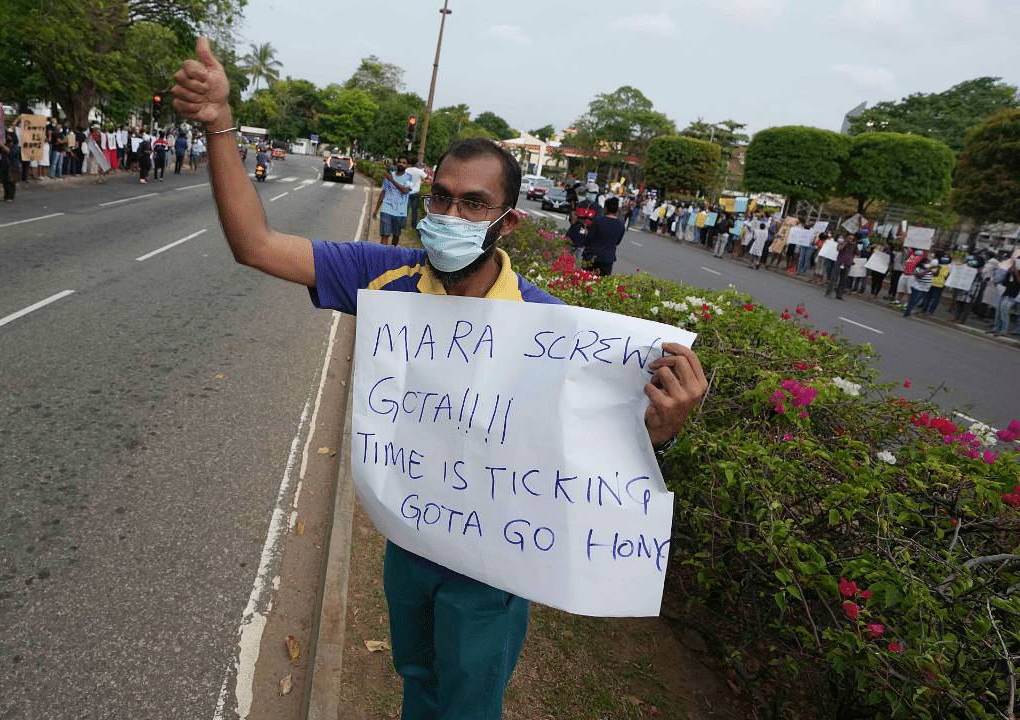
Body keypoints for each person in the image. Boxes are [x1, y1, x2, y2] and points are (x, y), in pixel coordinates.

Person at [170, 38, 708, 720]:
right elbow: (255, 244)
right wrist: (220, 122)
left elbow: (591, 455)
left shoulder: (552, 327)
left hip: (492, 574)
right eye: (442, 198)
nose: (450, 217)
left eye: (474, 205)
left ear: (508, 221)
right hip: (411, 546)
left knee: (467, 706)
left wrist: (659, 432)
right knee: (417, 683)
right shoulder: (385, 278)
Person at [372, 155, 419, 246]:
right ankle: (383, 255)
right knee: (385, 235)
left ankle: (392, 252)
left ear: (407, 165)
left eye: (404, 163)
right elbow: (383, 192)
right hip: (386, 209)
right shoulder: (389, 176)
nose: (401, 164)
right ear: (397, 163)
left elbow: (405, 191)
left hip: (400, 211)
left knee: (396, 235)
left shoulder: (409, 177)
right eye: (400, 162)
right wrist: (376, 209)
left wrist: (392, 181)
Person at [583, 197, 626, 276]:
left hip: (592, 255)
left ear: (606, 208)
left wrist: (587, 231)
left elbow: (589, 238)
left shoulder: (598, 220)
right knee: (602, 282)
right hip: (608, 258)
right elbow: (617, 242)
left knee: (586, 279)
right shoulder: (621, 224)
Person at [985, 264, 1019, 337]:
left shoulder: (1017, 275)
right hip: (1005, 295)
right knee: (998, 313)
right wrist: (990, 279)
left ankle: (1003, 331)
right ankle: (996, 329)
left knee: (1004, 313)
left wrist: (1015, 272)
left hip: (1011, 296)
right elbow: (1001, 280)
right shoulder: (1009, 275)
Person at [827, 234, 856, 300]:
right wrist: (845, 243)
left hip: (847, 264)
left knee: (843, 280)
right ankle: (828, 293)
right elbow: (838, 249)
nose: (851, 240)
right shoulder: (842, 243)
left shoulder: (854, 246)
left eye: (852, 239)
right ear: (846, 238)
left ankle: (839, 295)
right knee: (833, 278)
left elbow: (857, 253)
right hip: (839, 263)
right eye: (849, 238)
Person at [0, 130, 21, 202]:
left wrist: (2, 144)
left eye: (9, 136)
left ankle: (11, 197)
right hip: (4, 165)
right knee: (5, 181)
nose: (8, 138)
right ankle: (5, 195)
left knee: (11, 182)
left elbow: (10, 152)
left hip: (13, 166)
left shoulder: (15, 146)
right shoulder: (5, 144)